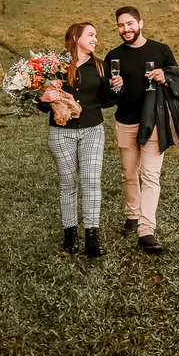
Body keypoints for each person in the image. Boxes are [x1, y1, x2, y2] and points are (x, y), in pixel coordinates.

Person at [38, 21, 114, 258]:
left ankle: (92, 236)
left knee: (91, 181)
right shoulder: (55, 66)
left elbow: (107, 100)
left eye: (96, 36)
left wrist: (115, 89)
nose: (96, 39)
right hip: (61, 132)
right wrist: (44, 97)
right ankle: (70, 234)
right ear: (76, 37)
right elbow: (40, 106)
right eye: (91, 35)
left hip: (93, 129)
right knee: (68, 184)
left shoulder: (100, 66)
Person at [105, 6, 177, 253]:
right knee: (128, 173)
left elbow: (178, 83)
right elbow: (108, 96)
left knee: (150, 176)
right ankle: (132, 215)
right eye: (121, 26)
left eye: (129, 24)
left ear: (140, 23)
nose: (125, 29)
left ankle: (146, 230)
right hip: (125, 121)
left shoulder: (160, 50)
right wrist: (116, 87)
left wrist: (164, 77)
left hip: (154, 121)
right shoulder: (113, 56)